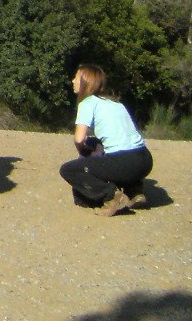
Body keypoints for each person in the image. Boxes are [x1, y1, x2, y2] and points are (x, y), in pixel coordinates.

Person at [59, 64, 153, 217]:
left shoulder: (87, 103)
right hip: (145, 159)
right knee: (96, 144)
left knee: (68, 169)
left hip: (124, 162)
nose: (72, 81)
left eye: (76, 78)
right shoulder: (116, 103)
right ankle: (135, 191)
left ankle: (111, 197)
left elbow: (78, 138)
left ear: (85, 82)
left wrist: (84, 154)